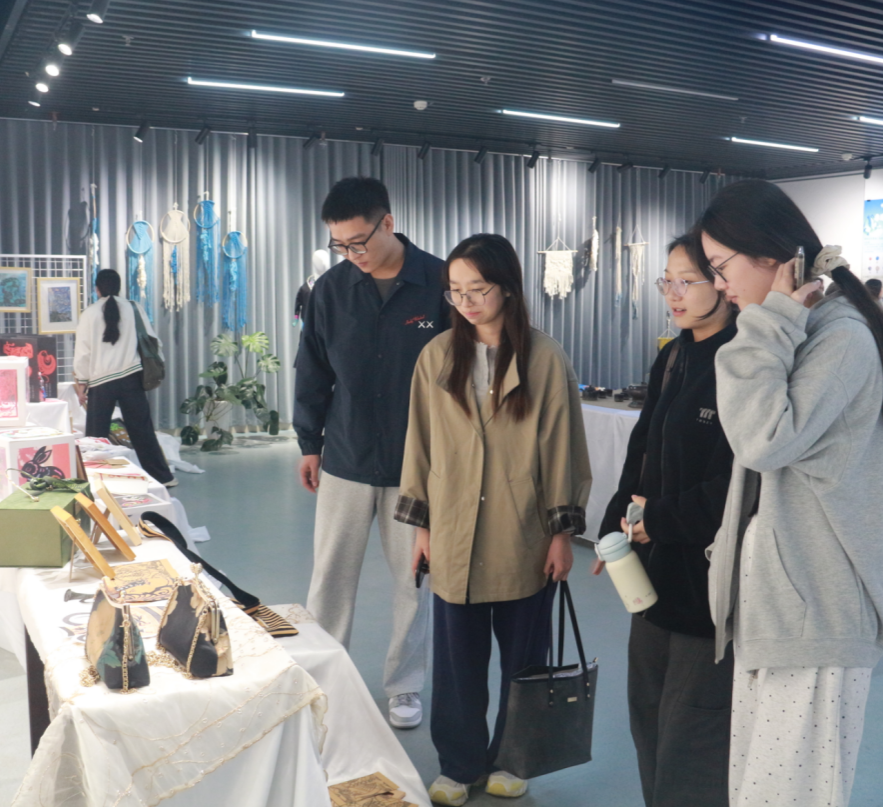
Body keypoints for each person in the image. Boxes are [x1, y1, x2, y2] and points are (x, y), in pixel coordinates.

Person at [697, 180, 883, 807]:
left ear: (770, 256)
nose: (718, 285)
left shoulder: (839, 336)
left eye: (720, 267)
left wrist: (770, 319)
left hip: (817, 615)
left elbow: (761, 439)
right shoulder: (807, 327)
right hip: (783, 609)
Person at [395, 234, 591, 805]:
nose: (466, 303)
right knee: (456, 665)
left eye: (477, 290)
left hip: (522, 532)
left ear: (506, 288)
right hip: (453, 531)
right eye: (455, 292)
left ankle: (512, 757)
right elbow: (419, 446)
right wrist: (423, 530)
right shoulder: (436, 356)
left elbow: (563, 449)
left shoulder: (545, 358)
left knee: (523, 661)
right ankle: (458, 765)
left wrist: (560, 534)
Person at [293, 177, 447, 729]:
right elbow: (312, 369)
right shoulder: (330, 291)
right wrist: (309, 443)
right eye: (340, 245)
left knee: (414, 581)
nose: (351, 254)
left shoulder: (438, 284)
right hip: (346, 456)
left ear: (388, 223)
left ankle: (405, 686)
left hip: (418, 466)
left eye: (359, 242)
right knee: (330, 575)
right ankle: (325, 675)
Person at [593, 234, 737, 807]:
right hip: (651, 581)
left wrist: (662, 520)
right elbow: (643, 450)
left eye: (687, 281)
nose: (673, 294)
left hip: (707, 589)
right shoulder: (673, 355)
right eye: (666, 282)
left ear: (722, 283)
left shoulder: (743, 361)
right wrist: (614, 527)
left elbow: (738, 487)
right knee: (649, 721)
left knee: (693, 738)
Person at [72, 269, 175, 486]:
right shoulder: (134, 308)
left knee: (95, 436)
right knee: (142, 431)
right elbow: (152, 340)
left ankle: (94, 480)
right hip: (131, 378)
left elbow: (83, 352)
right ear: (119, 287)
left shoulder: (89, 313)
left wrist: (81, 382)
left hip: (100, 382)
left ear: (97, 289)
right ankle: (163, 477)